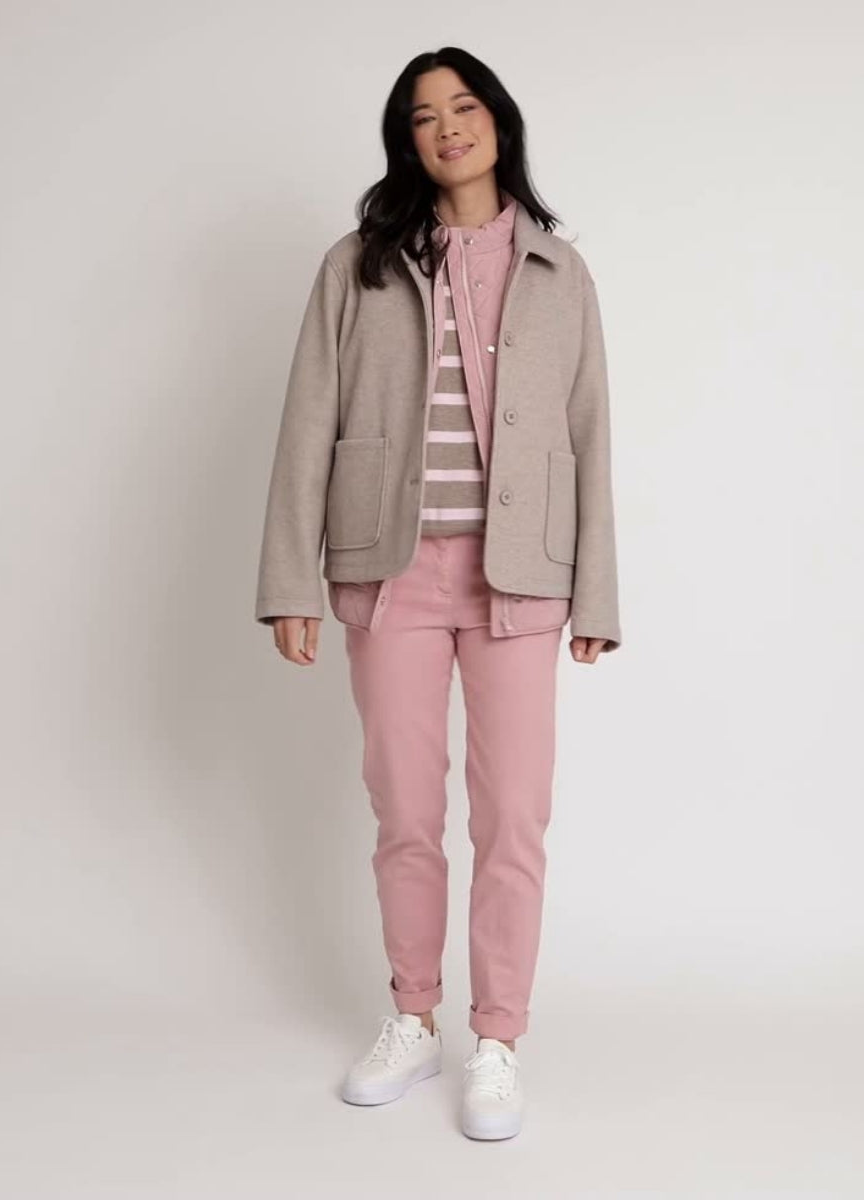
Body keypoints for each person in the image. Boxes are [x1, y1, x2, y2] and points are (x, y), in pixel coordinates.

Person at [254, 46, 621, 1141]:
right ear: (406, 142)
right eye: (424, 116)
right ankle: (413, 1017)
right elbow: (308, 417)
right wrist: (290, 581)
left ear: (498, 122)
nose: (448, 126)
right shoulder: (357, 265)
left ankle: (496, 1039)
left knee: (514, 817)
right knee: (406, 812)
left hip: (522, 578)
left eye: (464, 107)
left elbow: (591, 432)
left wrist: (596, 593)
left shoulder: (558, 271)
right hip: (389, 571)